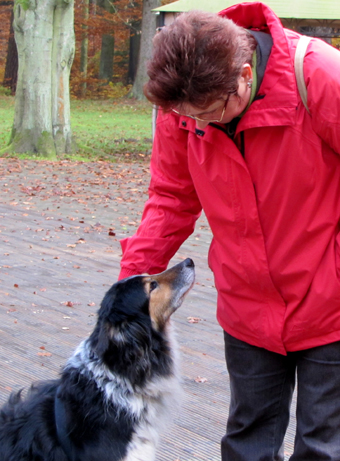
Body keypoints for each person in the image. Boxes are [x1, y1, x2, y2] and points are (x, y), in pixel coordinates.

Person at [118, 2, 340, 460]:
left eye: (210, 114)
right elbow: (171, 197)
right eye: (187, 118)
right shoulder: (183, 103)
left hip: (330, 303)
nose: (198, 126)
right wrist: (129, 287)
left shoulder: (319, 77)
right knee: (247, 441)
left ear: (243, 74)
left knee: (324, 444)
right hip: (248, 305)